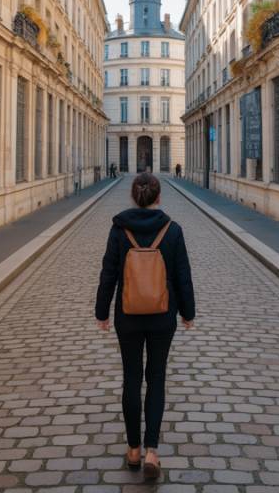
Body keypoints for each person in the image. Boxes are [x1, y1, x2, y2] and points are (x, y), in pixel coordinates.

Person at [95, 172, 195, 479]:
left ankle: (134, 450)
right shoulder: (173, 230)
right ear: (159, 197)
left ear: (133, 197)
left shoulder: (119, 230)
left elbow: (108, 273)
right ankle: (152, 450)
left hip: (128, 315)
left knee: (131, 378)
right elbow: (183, 276)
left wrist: (102, 312)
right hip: (163, 316)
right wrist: (188, 313)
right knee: (156, 378)